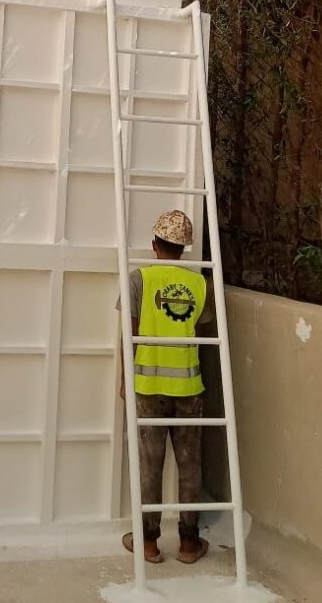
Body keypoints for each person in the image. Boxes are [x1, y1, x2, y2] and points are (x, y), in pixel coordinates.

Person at [118, 209, 213, 565]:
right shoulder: (200, 284)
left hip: (148, 385)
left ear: (154, 244)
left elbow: (128, 334)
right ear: (184, 248)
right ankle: (189, 544)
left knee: (150, 465)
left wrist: (125, 380)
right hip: (188, 387)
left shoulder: (138, 279)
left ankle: (148, 543)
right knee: (190, 465)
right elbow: (199, 331)